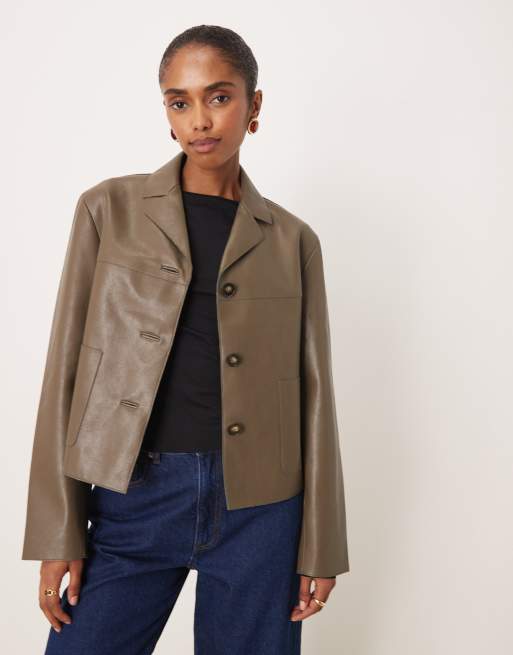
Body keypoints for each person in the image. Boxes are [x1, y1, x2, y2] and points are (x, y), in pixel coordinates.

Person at [21, 24, 350, 654]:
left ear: (254, 106)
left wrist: (321, 543)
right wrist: (58, 530)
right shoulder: (107, 210)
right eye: (180, 102)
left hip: (261, 511)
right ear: (167, 114)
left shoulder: (292, 241)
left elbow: (315, 398)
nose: (200, 119)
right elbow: (66, 371)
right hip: (133, 495)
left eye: (219, 97)